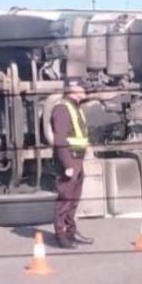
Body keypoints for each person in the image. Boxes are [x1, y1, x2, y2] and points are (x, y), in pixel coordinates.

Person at [51, 80, 94, 249]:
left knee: (74, 199)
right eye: (81, 87)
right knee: (65, 199)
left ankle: (71, 231)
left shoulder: (75, 107)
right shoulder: (62, 108)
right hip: (69, 159)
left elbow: (79, 135)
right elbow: (60, 138)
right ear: (72, 90)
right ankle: (61, 235)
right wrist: (67, 164)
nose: (84, 89)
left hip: (78, 159)